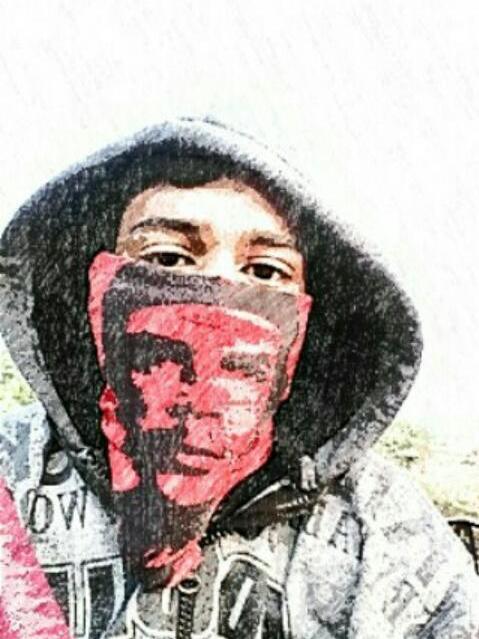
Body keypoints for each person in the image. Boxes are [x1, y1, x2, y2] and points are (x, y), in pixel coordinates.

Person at [0, 118, 477, 639]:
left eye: (265, 271)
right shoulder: (12, 473)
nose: (219, 285)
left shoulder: (382, 525)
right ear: (98, 293)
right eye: (168, 258)